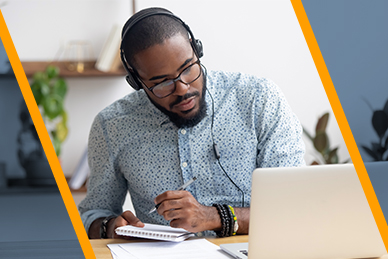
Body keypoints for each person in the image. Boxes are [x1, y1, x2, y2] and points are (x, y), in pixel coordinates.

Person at [79, 7, 305, 239]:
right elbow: (93, 213)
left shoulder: (259, 99)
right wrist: (110, 226)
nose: (182, 88)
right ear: (136, 81)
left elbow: (294, 206)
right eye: (161, 83)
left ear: (197, 50)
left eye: (187, 69)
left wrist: (214, 217)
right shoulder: (111, 125)